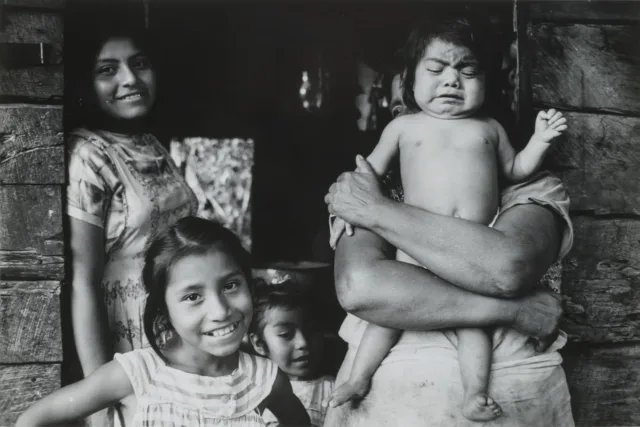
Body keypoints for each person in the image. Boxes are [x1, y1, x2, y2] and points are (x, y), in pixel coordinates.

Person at [323, 27, 575, 427]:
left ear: (490, 83)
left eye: (467, 72)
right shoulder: (404, 129)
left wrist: (541, 140)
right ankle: (359, 378)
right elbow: (367, 176)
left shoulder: (491, 132)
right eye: (436, 70)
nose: (451, 80)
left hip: (474, 264)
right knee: (385, 319)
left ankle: (474, 393)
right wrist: (354, 197)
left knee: (473, 328)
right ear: (408, 83)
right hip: (414, 258)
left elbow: (516, 171)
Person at [17, 217, 310, 427]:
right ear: (164, 311)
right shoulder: (138, 373)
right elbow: (34, 419)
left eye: (231, 285)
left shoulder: (264, 379)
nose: (220, 310)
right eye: (193, 296)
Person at [65, 22, 198, 425]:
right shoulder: (87, 155)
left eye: (139, 64)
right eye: (108, 70)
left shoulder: (150, 142)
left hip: (176, 334)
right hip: (128, 340)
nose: (130, 79)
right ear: (86, 83)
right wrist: (98, 399)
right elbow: (84, 281)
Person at [249, 287, 335, 427]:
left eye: (311, 331)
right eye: (285, 334)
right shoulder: (251, 391)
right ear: (259, 344)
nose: (303, 343)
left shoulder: (333, 389)